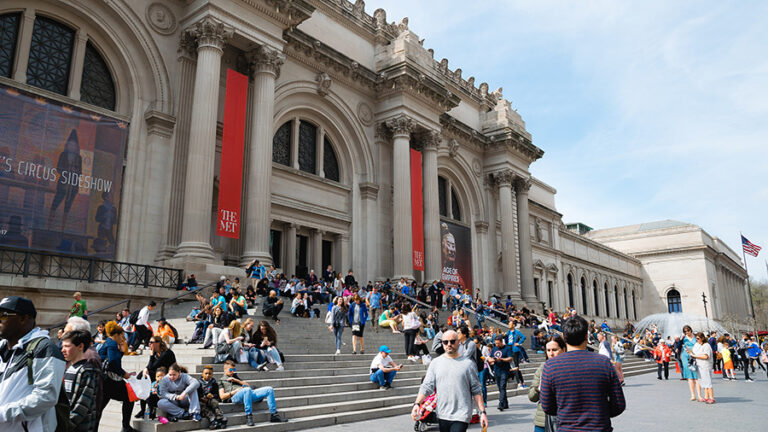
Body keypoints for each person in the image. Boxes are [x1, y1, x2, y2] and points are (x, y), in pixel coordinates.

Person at [540, 315, 625, 432]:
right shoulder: (604, 363)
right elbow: (618, 404)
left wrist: (567, 413)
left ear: (563, 337)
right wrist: (599, 414)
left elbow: (547, 406)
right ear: (586, 335)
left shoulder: (551, 366)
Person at [0, 296, 66, 432]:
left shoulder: (45, 348)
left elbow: (46, 397)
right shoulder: (2, 348)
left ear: (24, 318)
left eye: (3, 315)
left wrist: (2, 414)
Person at [411, 329, 487, 432]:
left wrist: (482, 413)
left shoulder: (468, 364)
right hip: (442, 414)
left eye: (452, 341)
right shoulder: (435, 363)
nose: (449, 344)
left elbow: (476, 390)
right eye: (445, 342)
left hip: (462, 414)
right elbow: (427, 386)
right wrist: (417, 404)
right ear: (442, 343)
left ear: (458, 342)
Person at [218, 360, 287, 425]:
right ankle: (249, 416)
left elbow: (248, 385)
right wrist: (235, 391)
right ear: (225, 370)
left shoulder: (235, 377)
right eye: (231, 370)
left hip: (247, 393)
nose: (232, 371)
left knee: (269, 389)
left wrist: (236, 380)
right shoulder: (221, 381)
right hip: (235, 396)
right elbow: (222, 396)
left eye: (234, 370)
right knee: (247, 390)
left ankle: (274, 415)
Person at [98, 321, 138, 432]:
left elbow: (111, 359)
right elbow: (112, 362)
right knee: (129, 397)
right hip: (111, 380)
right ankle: (125, 427)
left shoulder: (108, 342)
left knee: (98, 409)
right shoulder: (111, 343)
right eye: (122, 336)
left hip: (104, 380)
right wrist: (124, 374)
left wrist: (120, 352)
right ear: (116, 335)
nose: (123, 338)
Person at [60, 329, 99, 431]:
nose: (62, 350)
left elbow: (83, 403)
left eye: (67, 346)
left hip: (80, 427)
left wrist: (66, 425)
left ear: (80, 346)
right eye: (63, 346)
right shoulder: (68, 368)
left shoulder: (87, 371)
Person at [529, 335, 566, 432]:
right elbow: (532, 397)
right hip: (542, 421)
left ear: (563, 349)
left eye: (554, 350)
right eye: (548, 350)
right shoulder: (542, 368)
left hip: (565, 420)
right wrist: (539, 387)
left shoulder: (570, 368)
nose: (551, 354)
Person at [136, 336, 176, 419]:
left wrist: (151, 355)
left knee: (146, 382)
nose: (149, 344)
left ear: (158, 343)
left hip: (168, 376)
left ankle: (149, 409)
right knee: (142, 377)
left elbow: (153, 366)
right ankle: (142, 409)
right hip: (158, 374)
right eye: (149, 342)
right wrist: (145, 369)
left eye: (151, 342)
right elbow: (149, 366)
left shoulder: (166, 353)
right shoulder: (155, 353)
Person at [487, 334, 514, 411]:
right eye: (496, 343)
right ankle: (505, 403)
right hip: (496, 370)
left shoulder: (507, 348)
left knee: (502, 386)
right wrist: (491, 359)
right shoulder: (494, 349)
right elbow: (491, 357)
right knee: (500, 388)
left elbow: (510, 358)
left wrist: (502, 359)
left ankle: (501, 403)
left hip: (504, 370)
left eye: (498, 343)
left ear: (502, 342)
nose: (497, 345)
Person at [689, 332, 714, 404]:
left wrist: (695, 356)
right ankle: (706, 396)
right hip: (699, 365)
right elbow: (694, 353)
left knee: (708, 381)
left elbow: (706, 356)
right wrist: (690, 352)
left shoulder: (706, 345)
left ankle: (711, 397)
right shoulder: (697, 345)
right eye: (696, 338)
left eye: (698, 338)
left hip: (705, 365)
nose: (697, 340)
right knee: (702, 381)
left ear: (702, 338)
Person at [680, 325, 701, 401]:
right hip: (686, 356)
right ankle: (692, 395)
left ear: (691, 330)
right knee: (689, 376)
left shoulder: (696, 337)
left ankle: (699, 395)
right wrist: (680, 340)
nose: (687, 333)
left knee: (696, 376)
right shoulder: (683, 338)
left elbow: (701, 344)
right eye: (685, 331)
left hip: (695, 355)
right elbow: (678, 346)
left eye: (688, 331)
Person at [505, 321, 527, 388]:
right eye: (508, 324)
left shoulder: (516, 331)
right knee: (515, 367)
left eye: (510, 324)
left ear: (513, 325)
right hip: (509, 349)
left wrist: (519, 343)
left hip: (515, 350)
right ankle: (522, 382)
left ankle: (519, 383)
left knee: (515, 367)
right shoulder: (508, 332)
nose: (509, 325)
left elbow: (523, 337)